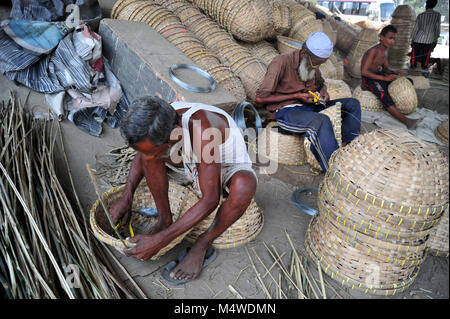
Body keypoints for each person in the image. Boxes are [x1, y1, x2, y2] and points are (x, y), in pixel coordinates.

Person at [110, 96, 257, 285]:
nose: (144, 156)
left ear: (175, 133)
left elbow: (211, 199)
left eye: (154, 150)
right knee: (149, 157)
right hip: (193, 161)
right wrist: (126, 197)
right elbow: (143, 156)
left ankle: (202, 245)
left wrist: (162, 239)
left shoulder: (205, 130)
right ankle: (164, 220)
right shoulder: (161, 118)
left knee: (245, 185)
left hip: (226, 167)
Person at [255, 32, 361, 172]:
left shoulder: (313, 65)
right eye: (316, 63)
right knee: (321, 121)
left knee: (352, 104)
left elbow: (321, 83)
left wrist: (324, 91)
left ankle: (346, 148)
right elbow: (260, 98)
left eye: (321, 64)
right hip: (288, 112)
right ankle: (335, 171)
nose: (317, 68)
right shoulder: (281, 62)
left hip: (311, 107)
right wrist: (296, 96)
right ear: (304, 53)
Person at [361, 25, 422, 130]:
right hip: (368, 79)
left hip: (379, 76)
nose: (392, 41)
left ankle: (402, 108)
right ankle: (407, 122)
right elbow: (364, 72)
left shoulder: (385, 50)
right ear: (381, 37)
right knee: (385, 97)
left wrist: (394, 72)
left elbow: (385, 69)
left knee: (407, 82)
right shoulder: (373, 51)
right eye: (390, 38)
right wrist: (385, 79)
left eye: (394, 39)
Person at [410, 0, 441, 71]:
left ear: (426, 4)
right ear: (434, 5)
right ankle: (424, 69)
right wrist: (435, 40)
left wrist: (412, 39)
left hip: (418, 39)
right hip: (429, 40)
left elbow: (415, 29)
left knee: (414, 56)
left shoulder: (421, 15)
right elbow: (437, 29)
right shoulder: (437, 15)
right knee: (426, 56)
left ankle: (412, 68)